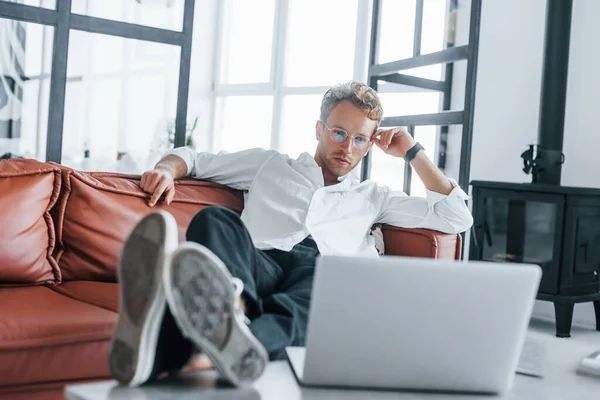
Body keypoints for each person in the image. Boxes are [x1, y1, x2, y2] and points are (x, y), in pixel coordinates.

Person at [108, 81, 474, 387]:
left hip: (320, 273)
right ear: (319, 129)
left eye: (360, 140)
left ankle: (187, 348)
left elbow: (455, 216)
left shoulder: (373, 196)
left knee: (329, 287)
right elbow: (194, 158)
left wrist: (413, 152)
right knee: (215, 219)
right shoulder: (270, 164)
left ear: (371, 143)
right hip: (256, 266)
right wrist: (165, 171)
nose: (347, 148)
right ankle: (231, 312)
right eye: (339, 133)